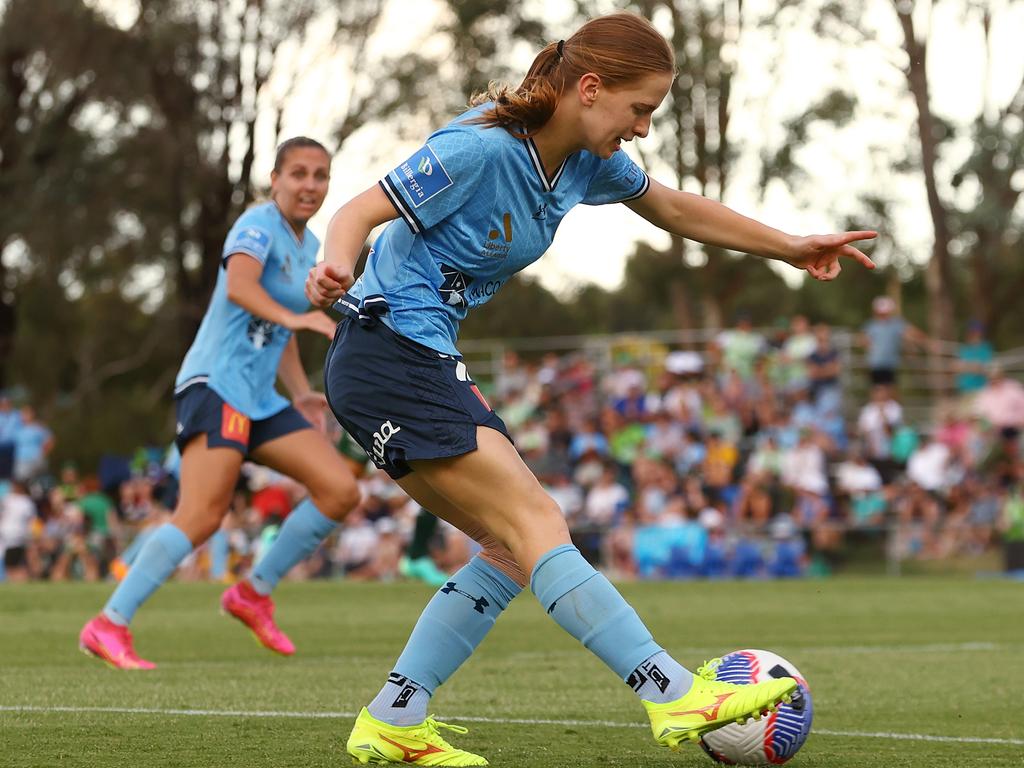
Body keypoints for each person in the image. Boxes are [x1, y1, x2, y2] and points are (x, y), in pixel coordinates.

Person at [308, 13, 875, 765]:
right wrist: (335, 266)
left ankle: (394, 717)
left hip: (402, 362)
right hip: (389, 351)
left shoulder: (583, 160)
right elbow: (359, 210)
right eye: (640, 110)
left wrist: (792, 246)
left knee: (512, 549)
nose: (642, 129)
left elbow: (673, 208)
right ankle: (670, 690)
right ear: (590, 87)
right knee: (537, 517)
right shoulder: (478, 148)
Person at [78, 137, 360, 669]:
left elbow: (274, 336)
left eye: (320, 176)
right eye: (297, 173)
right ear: (274, 181)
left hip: (260, 399)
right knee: (202, 515)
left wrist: (300, 392)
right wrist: (299, 317)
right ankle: (107, 623)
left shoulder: (311, 245)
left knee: (340, 490)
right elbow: (240, 289)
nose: (309, 185)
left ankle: (253, 593)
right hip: (215, 386)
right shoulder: (256, 225)